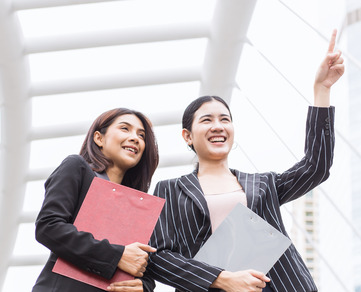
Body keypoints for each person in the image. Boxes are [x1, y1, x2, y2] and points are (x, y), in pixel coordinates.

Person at [140, 29, 344, 292]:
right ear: (187, 136)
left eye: (225, 119)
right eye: (207, 120)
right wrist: (222, 279)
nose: (218, 126)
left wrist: (322, 90)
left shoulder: (263, 185)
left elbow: (316, 166)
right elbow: (158, 259)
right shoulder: (169, 190)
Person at [32, 108, 159, 292]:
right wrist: (117, 256)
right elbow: (48, 227)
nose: (135, 138)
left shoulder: (140, 205)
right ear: (99, 138)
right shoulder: (77, 168)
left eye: (142, 135)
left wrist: (144, 286)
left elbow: (143, 263)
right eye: (125, 128)